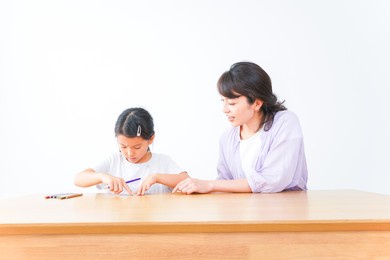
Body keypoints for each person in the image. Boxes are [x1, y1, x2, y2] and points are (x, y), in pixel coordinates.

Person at [173, 61, 308, 194]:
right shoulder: (227, 137)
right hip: (243, 213)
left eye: (231, 103)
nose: (224, 109)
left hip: (285, 211)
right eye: (223, 101)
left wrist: (209, 184)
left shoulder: (285, 123)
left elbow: (273, 180)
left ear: (257, 103)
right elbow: (225, 183)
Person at [74, 107, 189, 195]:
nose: (129, 153)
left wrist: (156, 178)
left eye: (137, 147)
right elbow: (78, 179)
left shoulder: (162, 161)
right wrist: (102, 177)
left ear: (151, 139)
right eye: (123, 146)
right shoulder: (114, 160)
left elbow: (186, 180)